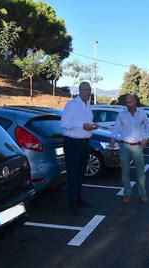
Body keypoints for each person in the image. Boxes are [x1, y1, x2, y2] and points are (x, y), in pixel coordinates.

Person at [61, 82, 98, 215]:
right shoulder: (72, 104)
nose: (88, 92)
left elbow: (86, 124)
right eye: (85, 90)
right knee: (73, 174)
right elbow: (64, 123)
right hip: (73, 143)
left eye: (89, 90)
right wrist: (83, 126)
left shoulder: (89, 105)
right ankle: (72, 203)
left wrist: (93, 126)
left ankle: (78, 199)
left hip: (85, 142)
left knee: (81, 173)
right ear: (80, 90)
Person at [110, 95, 149, 204]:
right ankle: (127, 194)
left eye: (130, 102)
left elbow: (148, 127)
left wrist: (146, 138)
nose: (128, 105)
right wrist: (113, 137)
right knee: (125, 171)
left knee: (140, 172)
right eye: (127, 102)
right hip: (124, 146)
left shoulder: (142, 114)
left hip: (138, 146)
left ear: (135, 101)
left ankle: (142, 194)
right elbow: (116, 127)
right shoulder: (121, 114)